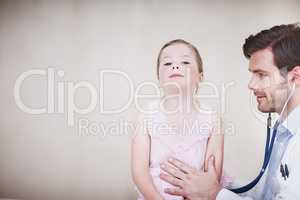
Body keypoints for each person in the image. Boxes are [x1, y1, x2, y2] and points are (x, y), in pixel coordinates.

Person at [159, 23, 300, 200]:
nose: (251, 85)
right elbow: (267, 194)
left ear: (294, 77)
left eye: (261, 75)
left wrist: (213, 194)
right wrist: (216, 185)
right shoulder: (283, 131)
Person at [131, 39, 226, 200]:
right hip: (154, 195)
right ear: (158, 77)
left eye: (185, 62)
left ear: (200, 77)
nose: (175, 66)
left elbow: (213, 174)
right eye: (167, 63)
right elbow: (139, 171)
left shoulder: (212, 118)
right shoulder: (147, 115)